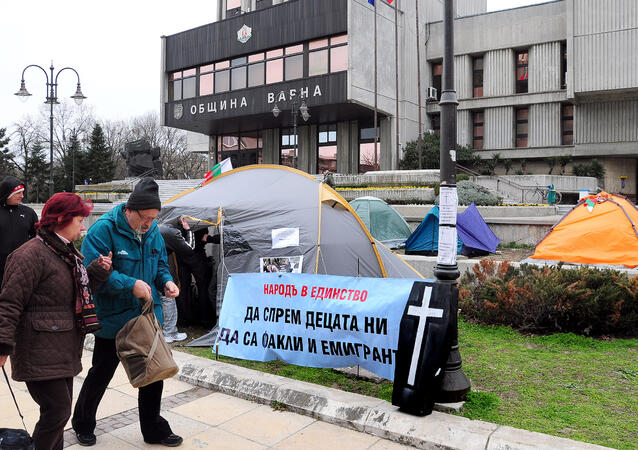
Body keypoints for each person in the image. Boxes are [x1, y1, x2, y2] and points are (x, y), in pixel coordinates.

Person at [72, 178, 182, 447]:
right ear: (129, 211)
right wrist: (130, 284)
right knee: (102, 372)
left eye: (153, 219)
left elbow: (158, 263)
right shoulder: (102, 230)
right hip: (114, 318)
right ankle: (83, 423)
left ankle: (154, 429)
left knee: (153, 374)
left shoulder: (153, 230)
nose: (148, 225)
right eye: (144, 218)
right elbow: (93, 275)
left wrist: (166, 281)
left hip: (146, 316)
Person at [0, 193, 112, 450]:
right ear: (61, 219)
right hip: (38, 348)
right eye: (80, 220)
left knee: (59, 415)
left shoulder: (66, 252)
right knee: (58, 411)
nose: (84, 226)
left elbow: (70, 295)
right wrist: (3, 345)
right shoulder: (30, 255)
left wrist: (95, 272)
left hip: (63, 347)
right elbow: (9, 302)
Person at [158, 217, 195, 343]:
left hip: (152, 269)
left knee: (161, 299)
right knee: (168, 299)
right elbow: (189, 248)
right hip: (162, 269)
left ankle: (165, 331)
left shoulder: (157, 228)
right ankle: (169, 332)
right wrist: (188, 230)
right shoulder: (170, 232)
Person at [0, 176, 38, 285]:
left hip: (23, 267)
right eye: (18, 193)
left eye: (22, 192)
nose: (22, 196)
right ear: (7, 194)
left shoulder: (29, 213)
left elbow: (37, 237)